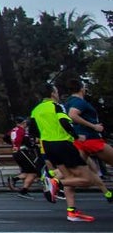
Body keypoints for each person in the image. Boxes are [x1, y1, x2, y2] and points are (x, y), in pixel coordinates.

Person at [29, 82, 101, 222]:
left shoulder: (36, 110)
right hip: (63, 144)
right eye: (56, 91)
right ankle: (55, 182)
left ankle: (71, 212)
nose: (57, 93)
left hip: (48, 146)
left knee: (70, 179)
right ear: (52, 93)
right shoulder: (56, 106)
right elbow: (65, 122)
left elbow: (33, 130)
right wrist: (76, 136)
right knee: (88, 179)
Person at [62, 77, 113, 203]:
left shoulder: (67, 102)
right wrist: (94, 126)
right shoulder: (79, 102)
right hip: (91, 139)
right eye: (84, 87)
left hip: (79, 140)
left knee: (84, 171)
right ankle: (55, 180)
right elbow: (73, 115)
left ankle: (54, 179)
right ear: (81, 89)